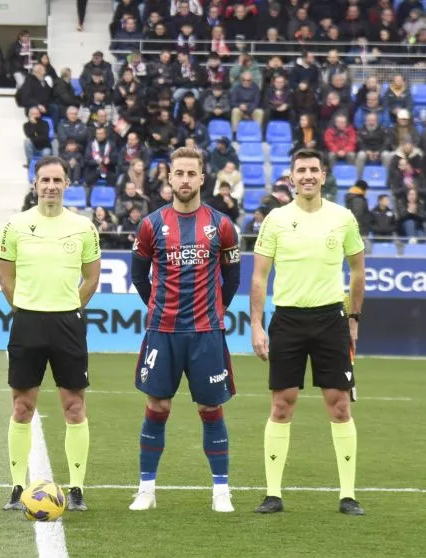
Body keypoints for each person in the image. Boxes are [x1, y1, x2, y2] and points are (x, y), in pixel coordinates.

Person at [250, 149, 366, 516]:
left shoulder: (343, 217)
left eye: (314, 169)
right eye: (301, 170)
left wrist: (354, 318)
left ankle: (348, 495)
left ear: (324, 174)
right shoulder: (277, 219)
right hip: (287, 320)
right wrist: (256, 323)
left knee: (340, 404)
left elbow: (358, 271)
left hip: (331, 320)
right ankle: (272, 494)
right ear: (291, 176)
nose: (308, 175)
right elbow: (258, 276)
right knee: (282, 404)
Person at [128, 147, 242, 513]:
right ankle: (146, 489)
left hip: (206, 331)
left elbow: (233, 277)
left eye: (192, 174)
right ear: (170, 178)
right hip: (163, 330)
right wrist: (157, 305)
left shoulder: (222, 225)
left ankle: (221, 491)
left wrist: (215, 309)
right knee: (157, 405)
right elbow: (138, 274)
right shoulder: (151, 224)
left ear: (202, 178)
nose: (185, 180)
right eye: (179, 173)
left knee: (210, 407)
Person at [0, 156, 102, 512]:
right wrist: (25, 307)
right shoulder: (15, 225)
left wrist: (71, 306)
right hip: (27, 322)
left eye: (57, 180)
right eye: (45, 180)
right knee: (22, 407)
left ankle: (76, 488)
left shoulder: (83, 227)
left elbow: (91, 277)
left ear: (67, 184)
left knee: (74, 407)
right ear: (35, 184)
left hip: (67, 324)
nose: (51, 186)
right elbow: (6, 278)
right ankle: (16, 487)